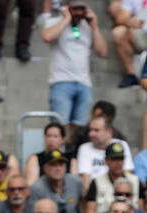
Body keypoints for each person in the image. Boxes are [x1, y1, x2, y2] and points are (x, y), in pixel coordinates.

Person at [42, 0, 107, 131]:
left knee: (80, 127)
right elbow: (47, 37)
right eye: (75, 9)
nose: (78, 13)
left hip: (84, 82)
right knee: (59, 126)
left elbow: (103, 52)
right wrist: (66, 20)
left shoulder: (88, 26)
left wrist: (95, 27)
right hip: (61, 81)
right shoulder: (56, 21)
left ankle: (75, 150)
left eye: (81, 9)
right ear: (67, 8)